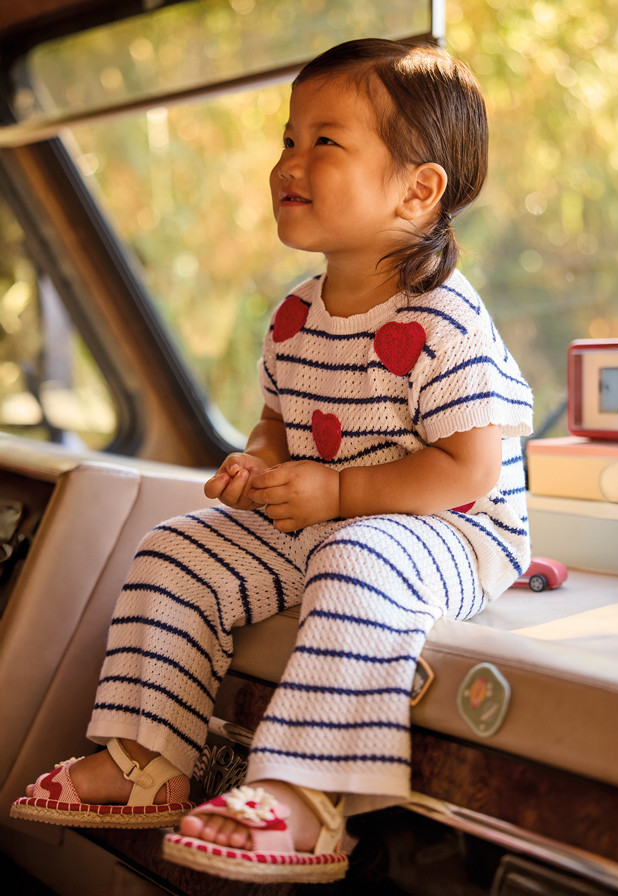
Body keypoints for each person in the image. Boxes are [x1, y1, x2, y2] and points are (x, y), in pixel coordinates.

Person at [11, 38, 533, 885]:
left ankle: (304, 798)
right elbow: (277, 424)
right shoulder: (296, 315)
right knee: (175, 548)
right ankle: (147, 761)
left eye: (325, 141)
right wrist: (257, 465)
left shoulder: (445, 320)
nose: (289, 161)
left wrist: (339, 492)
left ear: (418, 190)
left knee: (358, 556)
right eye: (289, 138)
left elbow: (469, 471)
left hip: (456, 531)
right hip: (336, 514)